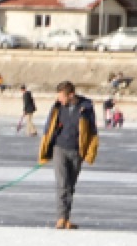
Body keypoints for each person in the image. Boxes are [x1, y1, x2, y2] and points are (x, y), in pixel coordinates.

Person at [37, 79, 98, 229]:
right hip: (60, 148)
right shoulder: (57, 107)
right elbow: (48, 128)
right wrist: (46, 148)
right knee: (62, 184)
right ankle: (61, 218)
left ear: (71, 95)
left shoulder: (86, 108)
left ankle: (66, 218)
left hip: (77, 151)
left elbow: (93, 131)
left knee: (70, 186)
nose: (59, 99)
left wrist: (90, 152)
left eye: (62, 96)